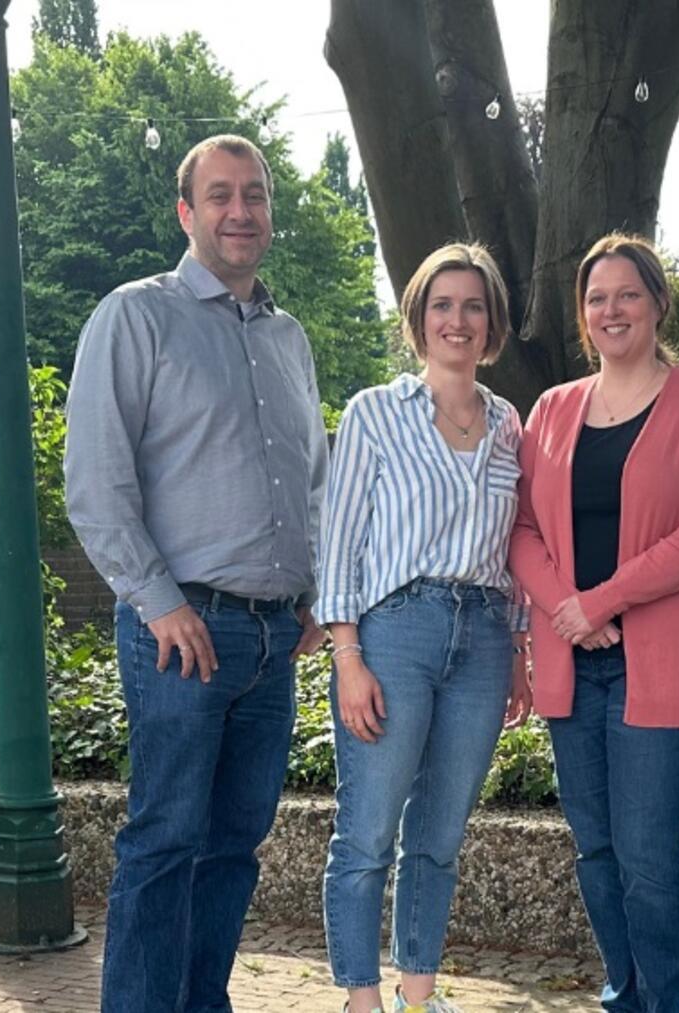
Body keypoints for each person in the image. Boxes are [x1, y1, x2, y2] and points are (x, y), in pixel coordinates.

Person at [64, 134, 329, 1013]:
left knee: (233, 849)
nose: (240, 211)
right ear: (187, 212)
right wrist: (159, 603)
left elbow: (314, 480)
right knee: (163, 843)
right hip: (183, 634)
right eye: (220, 195)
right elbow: (95, 482)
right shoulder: (135, 317)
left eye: (254, 194)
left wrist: (314, 593)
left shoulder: (289, 338)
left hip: (272, 639)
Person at [509, 233, 679, 1012]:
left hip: (662, 663)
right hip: (572, 663)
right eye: (597, 298)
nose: (612, 310)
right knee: (597, 850)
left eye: (628, 294)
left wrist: (600, 601)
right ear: (582, 315)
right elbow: (522, 529)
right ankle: (625, 995)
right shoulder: (551, 410)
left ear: (658, 303)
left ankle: (662, 1002)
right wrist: (567, 611)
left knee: (648, 855)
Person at [316, 242, 532, 1013]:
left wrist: (519, 650)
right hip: (394, 635)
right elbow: (338, 542)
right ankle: (361, 1000)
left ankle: (418, 995)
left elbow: (515, 545)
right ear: (418, 319)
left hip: (484, 641)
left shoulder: (510, 426)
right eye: (442, 304)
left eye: (473, 305)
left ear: (491, 323)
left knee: (439, 835)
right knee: (368, 829)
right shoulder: (375, 413)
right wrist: (348, 657)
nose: (457, 319)